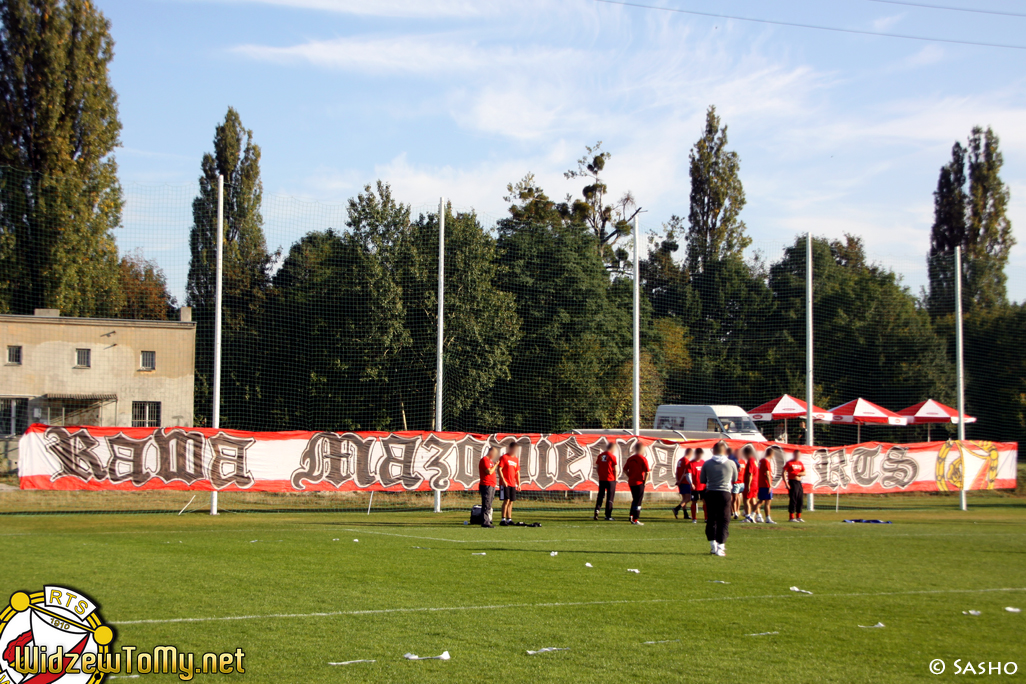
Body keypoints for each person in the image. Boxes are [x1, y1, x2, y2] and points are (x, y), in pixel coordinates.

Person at [701, 441, 738, 556]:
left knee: (712, 519)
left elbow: (702, 480)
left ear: (714, 450)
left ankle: (713, 546)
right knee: (724, 519)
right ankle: (721, 546)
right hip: (725, 493)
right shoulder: (731, 463)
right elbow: (735, 478)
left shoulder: (707, 464)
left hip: (711, 492)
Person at [623, 443, 650, 525]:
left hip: (631, 482)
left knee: (635, 499)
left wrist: (630, 476)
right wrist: (644, 482)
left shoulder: (630, 458)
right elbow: (647, 472)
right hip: (639, 482)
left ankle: (631, 515)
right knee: (638, 501)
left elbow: (625, 470)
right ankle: (635, 519)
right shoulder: (643, 459)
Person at [497, 444, 522, 526]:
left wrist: (519, 483)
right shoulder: (504, 457)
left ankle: (509, 519)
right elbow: (499, 469)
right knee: (506, 500)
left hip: (512, 484)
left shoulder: (516, 459)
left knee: (511, 501)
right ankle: (503, 519)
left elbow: (517, 472)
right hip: (505, 483)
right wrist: (503, 480)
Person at [594, 443, 619, 521]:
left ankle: (597, 510)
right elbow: (615, 469)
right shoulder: (612, 457)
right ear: (612, 448)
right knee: (610, 498)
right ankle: (608, 515)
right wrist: (616, 479)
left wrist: (600, 475)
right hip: (610, 479)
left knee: (600, 496)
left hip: (602, 479)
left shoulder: (600, 456)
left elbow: (597, 468)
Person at [478, 446, 499, 528]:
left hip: (492, 485)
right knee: (486, 503)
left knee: (489, 504)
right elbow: (489, 471)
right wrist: (496, 465)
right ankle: (485, 522)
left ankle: (488, 520)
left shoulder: (490, 461)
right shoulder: (484, 460)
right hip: (486, 485)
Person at [784, 449, 807, 522]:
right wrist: (786, 483)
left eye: (799, 455)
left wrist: (798, 474)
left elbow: (804, 472)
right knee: (793, 499)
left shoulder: (800, 463)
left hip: (799, 482)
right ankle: (791, 517)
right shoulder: (789, 463)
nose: (798, 456)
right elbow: (784, 472)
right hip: (792, 482)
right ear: (794, 455)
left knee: (800, 499)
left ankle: (799, 516)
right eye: (797, 455)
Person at [757, 447, 777, 524]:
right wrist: (769, 485)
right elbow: (768, 474)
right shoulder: (766, 461)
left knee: (761, 501)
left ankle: (751, 514)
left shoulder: (761, 461)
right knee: (767, 502)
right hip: (765, 484)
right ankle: (768, 518)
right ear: (771, 454)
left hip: (761, 483)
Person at [687, 447, 707, 523]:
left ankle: (706, 518)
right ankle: (694, 518)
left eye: (700, 455)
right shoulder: (691, 463)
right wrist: (691, 483)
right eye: (698, 455)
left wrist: (707, 482)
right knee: (694, 501)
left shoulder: (703, 463)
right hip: (694, 486)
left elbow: (707, 473)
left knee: (705, 501)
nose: (699, 456)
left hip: (703, 486)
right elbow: (688, 474)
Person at [673, 448, 693, 520]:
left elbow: (677, 471)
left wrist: (678, 480)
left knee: (684, 499)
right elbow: (685, 473)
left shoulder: (680, 460)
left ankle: (685, 514)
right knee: (688, 498)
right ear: (690, 453)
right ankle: (677, 509)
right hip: (685, 482)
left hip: (680, 482)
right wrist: (680, 481)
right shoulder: (686, 461)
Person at [732, 446, 749, 519]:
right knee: (734, 497)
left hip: (742, 482)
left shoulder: (743, 461)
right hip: (735, 482)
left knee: (739, 497)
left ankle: (737, 511)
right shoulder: (733, 462)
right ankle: (734, 512)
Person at [744, 446, 759, 522]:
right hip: (755, 483)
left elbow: (750, 473)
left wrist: (748, 485)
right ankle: (758, 516)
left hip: (751, 483)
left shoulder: (750, 461)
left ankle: (748, 517)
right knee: (753, 501)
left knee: (746, 500)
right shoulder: (754, 460)